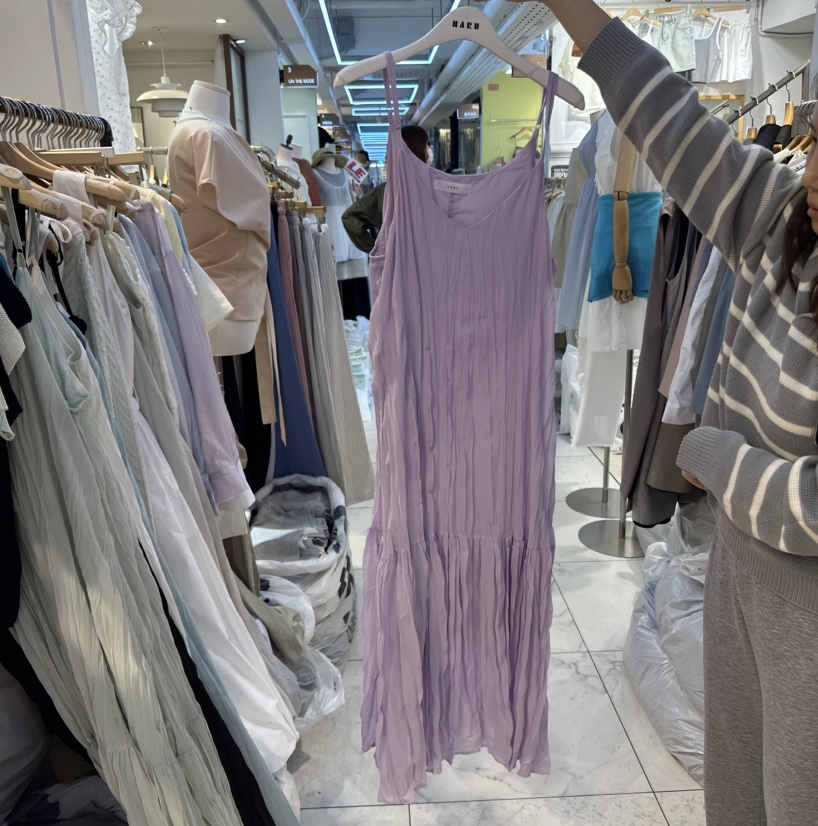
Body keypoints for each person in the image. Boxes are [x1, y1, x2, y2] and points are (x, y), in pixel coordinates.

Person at [498, 2, 818, 824]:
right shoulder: (783, 220)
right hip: (740, 571)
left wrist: (711, 454)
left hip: (805, 614)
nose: (814, 170)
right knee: (735, 796)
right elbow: (669, 117)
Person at [342, 125, 433, 253]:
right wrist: (376, 250)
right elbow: (350, 218)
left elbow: (350, 217)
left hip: (400, 259)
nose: (429, 150)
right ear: (415, 148)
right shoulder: (434, 188)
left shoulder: (386, 190)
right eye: (427, 145)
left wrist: (377, 251)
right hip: (428, 258)